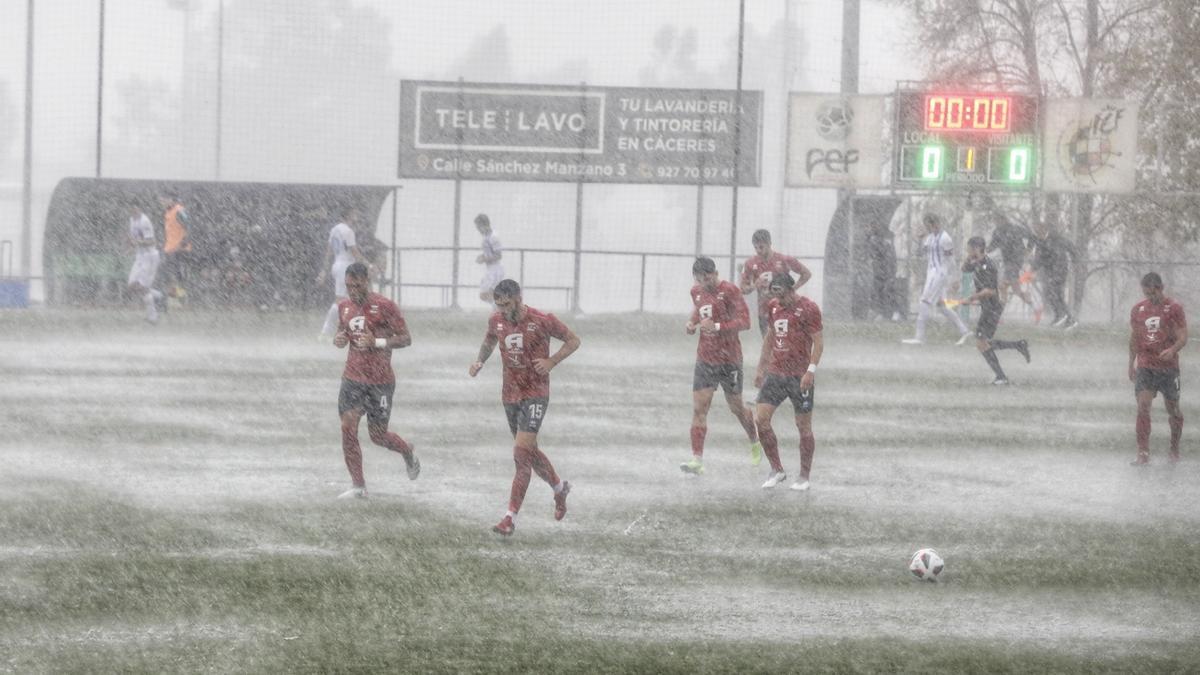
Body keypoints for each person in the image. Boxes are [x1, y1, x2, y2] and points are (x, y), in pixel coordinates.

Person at [469, 279, 580, 536]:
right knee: (529, 452)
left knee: (521, 456)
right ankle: (559, 488)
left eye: (506, 304)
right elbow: (489, 341)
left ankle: (510, 518)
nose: (502, 309)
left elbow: (574, 340)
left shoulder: (542, 319)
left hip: (536, 394)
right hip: (510, 394)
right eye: (498, 305)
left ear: (518, 298)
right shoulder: (496, 320)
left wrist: (552, 361)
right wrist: (479, 362)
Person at [332, 262, 419, 498]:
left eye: (357, 285)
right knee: (348, 427)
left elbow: (406, 338)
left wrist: (378, 343)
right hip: (352, 378)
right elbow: (344, 332)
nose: (352, 291)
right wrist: (339, 339)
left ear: (366, 281)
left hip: (380, 381)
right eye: (349, 286)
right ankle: (358, 485)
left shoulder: (385, 306)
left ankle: (406, 451)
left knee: (378, 436)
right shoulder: (345, 307)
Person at [680, 257, 762, 475]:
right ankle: (697, 460)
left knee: (736, 408)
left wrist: (716, 326)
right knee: (699, 409)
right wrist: (692, 322)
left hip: (730, 360)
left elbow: (745, 322)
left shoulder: (730, 291)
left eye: (707, 278)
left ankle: (754, 440)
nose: (704, 283)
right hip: (705, 359)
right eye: (699, 279)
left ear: (715, 273)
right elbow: (700, 309)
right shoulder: (696, 291)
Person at [754, 273, 823, 491]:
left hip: (799, 377)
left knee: (803, 426)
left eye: (781, 294)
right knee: (761, 419)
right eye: (774, 294)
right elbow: (770, 337)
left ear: (791, 290)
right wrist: (761, 367)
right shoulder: (774, 307)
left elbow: (818, 342)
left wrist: (810, 371)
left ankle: (804, 476)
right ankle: (777, 469)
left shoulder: (809, 308)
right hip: (776, 373)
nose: (778, 299)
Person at [1128, 272, 1187, 465]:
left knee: (1174, 410)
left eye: (1152, 293)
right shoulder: (1138, 310)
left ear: (1160, 288)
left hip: (1169, 368)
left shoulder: (1174, 308)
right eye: (1145, 293)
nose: (1149, 297)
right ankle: (1143, 452)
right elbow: (1135, 338)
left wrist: (1172, 349)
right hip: (1146, 366)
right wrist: (1131, 363)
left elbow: (1183, 336)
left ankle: (1174, 448)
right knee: (1143, 406)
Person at [961, 236, 1031, 385]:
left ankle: (1002, 376)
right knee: (983, 343)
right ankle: (1018, 346)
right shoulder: (977, 263)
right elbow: (964, 269)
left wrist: (972, 298)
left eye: (969, 248)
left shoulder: (988, 265)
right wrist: (969, 258)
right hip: (988, 308)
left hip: (992, 308)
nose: (968, 251)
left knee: (982, 343)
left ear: (977, 248)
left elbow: (991, 291)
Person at [902, 213, 971, 345]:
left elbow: (951, 259)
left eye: (929, 225)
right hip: (931, 272)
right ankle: (964, 330)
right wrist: (919, 239)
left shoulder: (945, 238)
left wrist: (955, 277)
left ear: (935, 223)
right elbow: (922, 252)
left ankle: (919, 337)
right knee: (942, 307)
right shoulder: (930, 238)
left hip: (939, 273)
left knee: (924, 301)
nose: (928, 228)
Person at [739, 229, 812, 335]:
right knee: (768, 344)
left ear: (769, 244)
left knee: (785, 344)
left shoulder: (783, 260)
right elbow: (742, 289)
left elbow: (806, 274)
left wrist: (792, 289)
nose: (758, 250)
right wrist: (755, 285)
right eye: (756, 247)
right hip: (764, 311)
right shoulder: (750, 263)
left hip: (785, 309)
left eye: (761, 247)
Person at [317, 208, 369, 339]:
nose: (357, 216)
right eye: (356, 214)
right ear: (350, 215)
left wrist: (324, 270)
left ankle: (352, 331)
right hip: (345, 267)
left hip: (337, 265)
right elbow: (354, 251)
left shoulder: (334, 229)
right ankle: (325, 332)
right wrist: (368, 265)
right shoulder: (348, 231)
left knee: (354, 299)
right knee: (340, 300)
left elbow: (329, 251)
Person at [1031, 222, 1078, 329]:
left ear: (1045, 230)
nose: (1038, 234)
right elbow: (1039, 259)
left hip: (1060, 270)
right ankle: (1063, 317)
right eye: (1036, 232)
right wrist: (1032, 268)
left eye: (1039, 231)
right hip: (1050, 271)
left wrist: (1075, 261)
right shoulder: (1040, 242)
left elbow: (1071, 248)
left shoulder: (1057, 239)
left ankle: (1065, 317)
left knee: (1053, 292)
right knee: (1051, 294)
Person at [986, 213, 1034, 310]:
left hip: (1016, 260)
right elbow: (993, 244)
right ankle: (1028, 300)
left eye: (997, 220)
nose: (996, 223)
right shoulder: (998, 231)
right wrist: (985, 250)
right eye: (995, 221)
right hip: (1007, 260)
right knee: (1013, 288)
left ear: (1004, 219)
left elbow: (1031, 237)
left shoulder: (1015, 229)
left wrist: (1028, 250)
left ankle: (1000, 309)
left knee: (1003, 285)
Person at [126, 204, 164, 324]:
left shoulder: (145, 221)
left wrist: (137, 242)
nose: (133, 211)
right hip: (140, 256)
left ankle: (153, 317)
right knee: (131, 286)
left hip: (150, 257)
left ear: (139, 208)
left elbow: (151, 241)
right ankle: (159, 296)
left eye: (135, 208)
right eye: (131, 209)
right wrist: (130, 247)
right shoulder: (132, 220)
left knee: (143, 288)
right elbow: (134, 238)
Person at [866, 221, 901, 321]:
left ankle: (896, 312)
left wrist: (891, 270)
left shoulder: (885, 239)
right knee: (879, 291)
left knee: (890, 290)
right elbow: (872, 255)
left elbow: (888, 254)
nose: (871, 229)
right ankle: (881, 313)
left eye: (873, 226)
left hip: (887, 269)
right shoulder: (872, 239)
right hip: (878, 270)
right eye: (871, 226)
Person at [160, 194, 192, 305]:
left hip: (179, 248)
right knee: (168, 274)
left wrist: (184, 242)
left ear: (170, 200)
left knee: (178, 273)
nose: (162, 203)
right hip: (169, 248)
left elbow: (189, 225)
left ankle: (181, 297)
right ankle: (174, 298)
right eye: (161, 201)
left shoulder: (179, 210)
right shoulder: (167, 212)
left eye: (164, 200)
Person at [475, 213, 504, 305]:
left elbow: (498, 255)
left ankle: (508, 306)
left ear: (484, 225)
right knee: (486, 294)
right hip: (490, 269)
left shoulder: (493, 237)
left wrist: (484, 258)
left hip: (495, 269)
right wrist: (482, 256)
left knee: (488, 294)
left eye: (478, 227)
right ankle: (502, 309)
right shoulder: (486, 237)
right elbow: (490, 252)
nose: (478, 229)